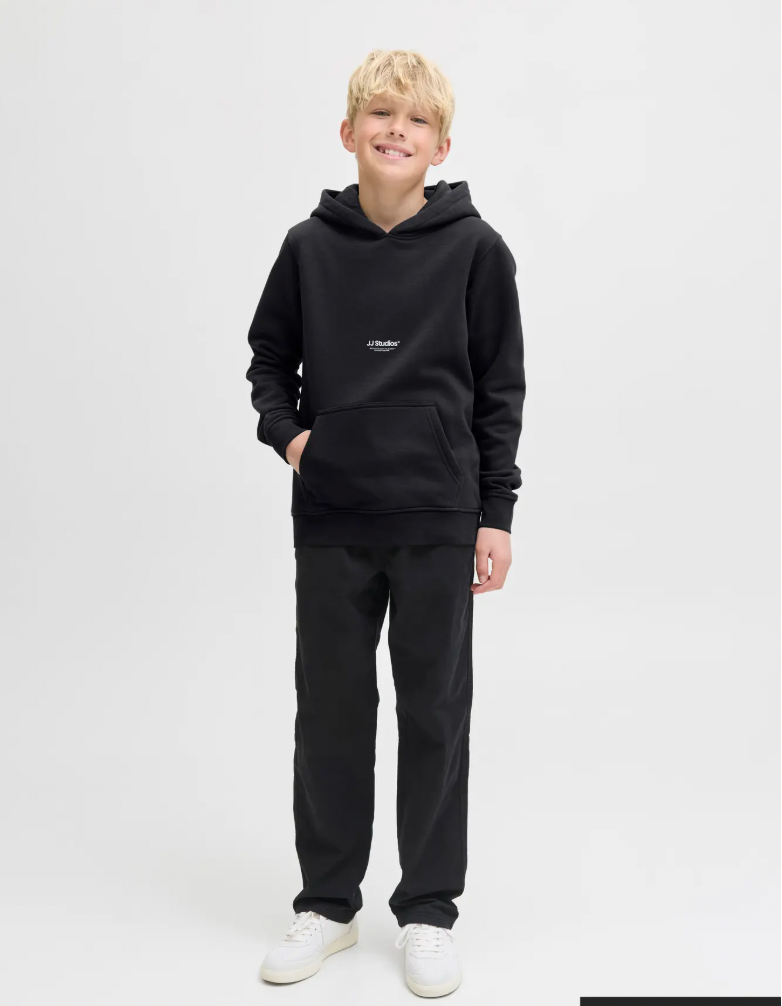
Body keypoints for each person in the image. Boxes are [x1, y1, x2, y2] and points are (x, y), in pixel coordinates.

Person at [246, 48, 526, 998]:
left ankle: (429, 912)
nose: (396, 129)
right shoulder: (307, 247)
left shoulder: (477, 250)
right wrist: (294, 441)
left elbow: (499, 390)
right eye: (380, 113)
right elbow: (268, 362)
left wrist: (496, 513)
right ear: (348, 131)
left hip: (440, 516)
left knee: (435, 713)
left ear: (440, 146)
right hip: (333, 516)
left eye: (417, 120)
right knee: (329, 711)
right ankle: (328, 905)